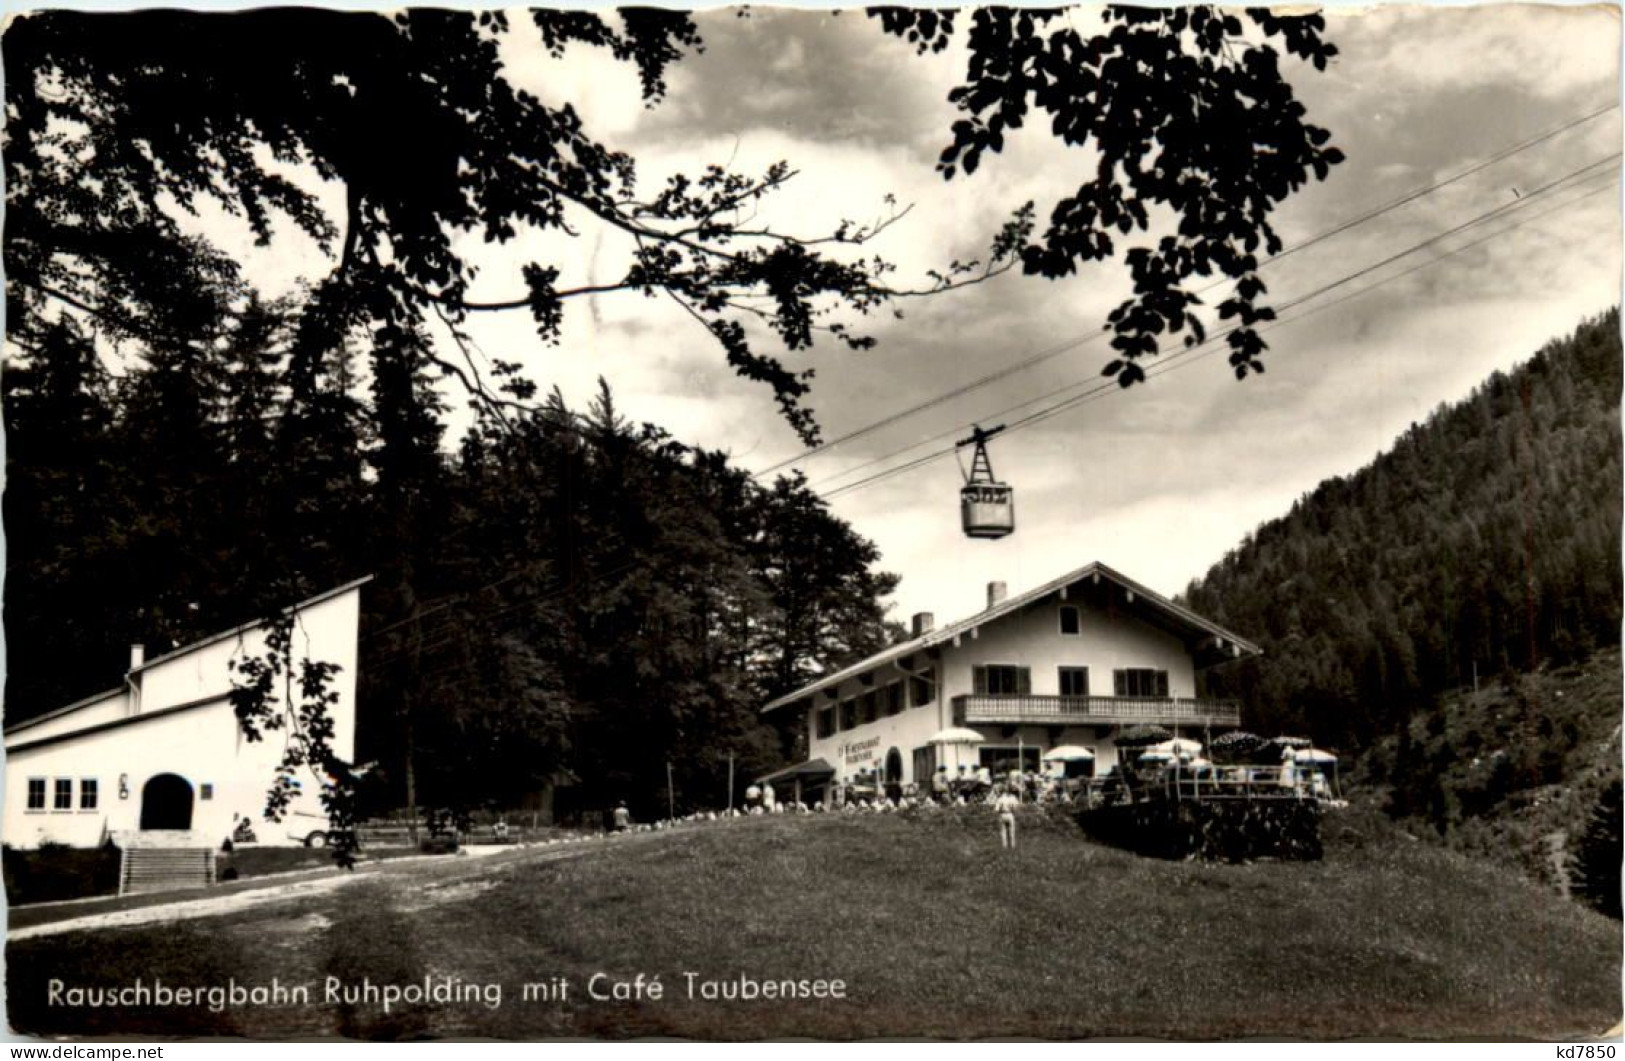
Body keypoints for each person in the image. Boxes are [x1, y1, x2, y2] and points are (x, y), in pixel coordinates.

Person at [994, 785, 1019, 849]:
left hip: (1002, 814)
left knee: (1003, 831)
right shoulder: (1013, 797)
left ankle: (1004, 846)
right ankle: (1012, 846)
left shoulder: (1000, 798)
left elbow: (996, 809)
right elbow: (1015, 808)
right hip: (1010, 814)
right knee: (1012, 831)